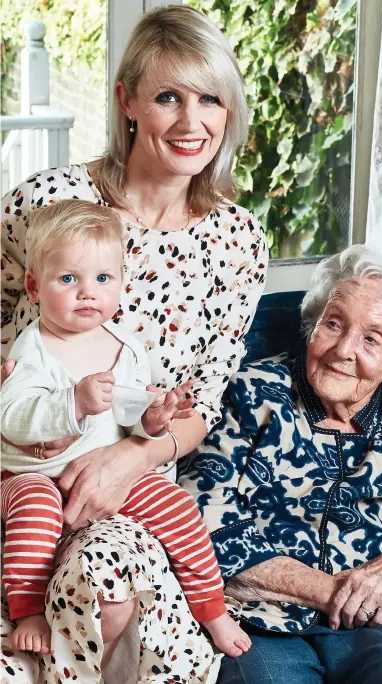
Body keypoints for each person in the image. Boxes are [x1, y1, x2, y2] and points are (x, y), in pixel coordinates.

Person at [0, 6, 267, 682]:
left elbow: (199, 402)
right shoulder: (47, 201)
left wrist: (127, 458)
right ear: (126, 101)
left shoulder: (237, 240)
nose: (190, 121)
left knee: (108, 588)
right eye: (168, 96)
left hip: (135, 478)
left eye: (210, 98)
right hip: (20, 463)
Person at [179, 245, 382, 684]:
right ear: (312, 327)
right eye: (334, 324)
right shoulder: (250, 394)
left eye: (371, 339)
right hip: (258, 622)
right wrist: (336, 592)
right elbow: (198, 523)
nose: (343, 350)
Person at [1, 199, 252, 660]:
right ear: (35, 287)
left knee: (175, 504)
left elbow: (130, 416)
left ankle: (211, 605)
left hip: (109, 475)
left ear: (123, 283)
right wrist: (71, 401)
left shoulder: (127, 348)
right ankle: (27, 607)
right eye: (68, 279)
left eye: (102, 279)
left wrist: (154, 420)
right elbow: (12, 417)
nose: (87, 292)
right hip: (32, 475)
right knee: (35, 510)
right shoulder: (33, 347)